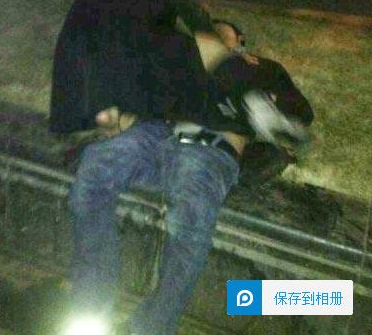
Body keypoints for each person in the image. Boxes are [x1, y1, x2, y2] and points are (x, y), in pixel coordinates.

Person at [65, 28, 314, 335]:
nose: (215, 37)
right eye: (213, 32)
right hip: (158, 136)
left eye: (224, 35)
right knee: (96, 165)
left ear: (241, 44)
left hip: (209, 148)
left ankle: (151, 328)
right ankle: (90, 311)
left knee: (189, 223)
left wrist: (262, 101)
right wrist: (121, 116)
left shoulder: (261, 69)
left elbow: (299, 116)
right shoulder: (185, 63)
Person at [50, 0, 244, 137]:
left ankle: (106, 112)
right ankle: (202, 119)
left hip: (77, 42)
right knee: (185, 48)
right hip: (123, 42)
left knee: (129, 49)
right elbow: (192, 14)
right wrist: (224, 52)